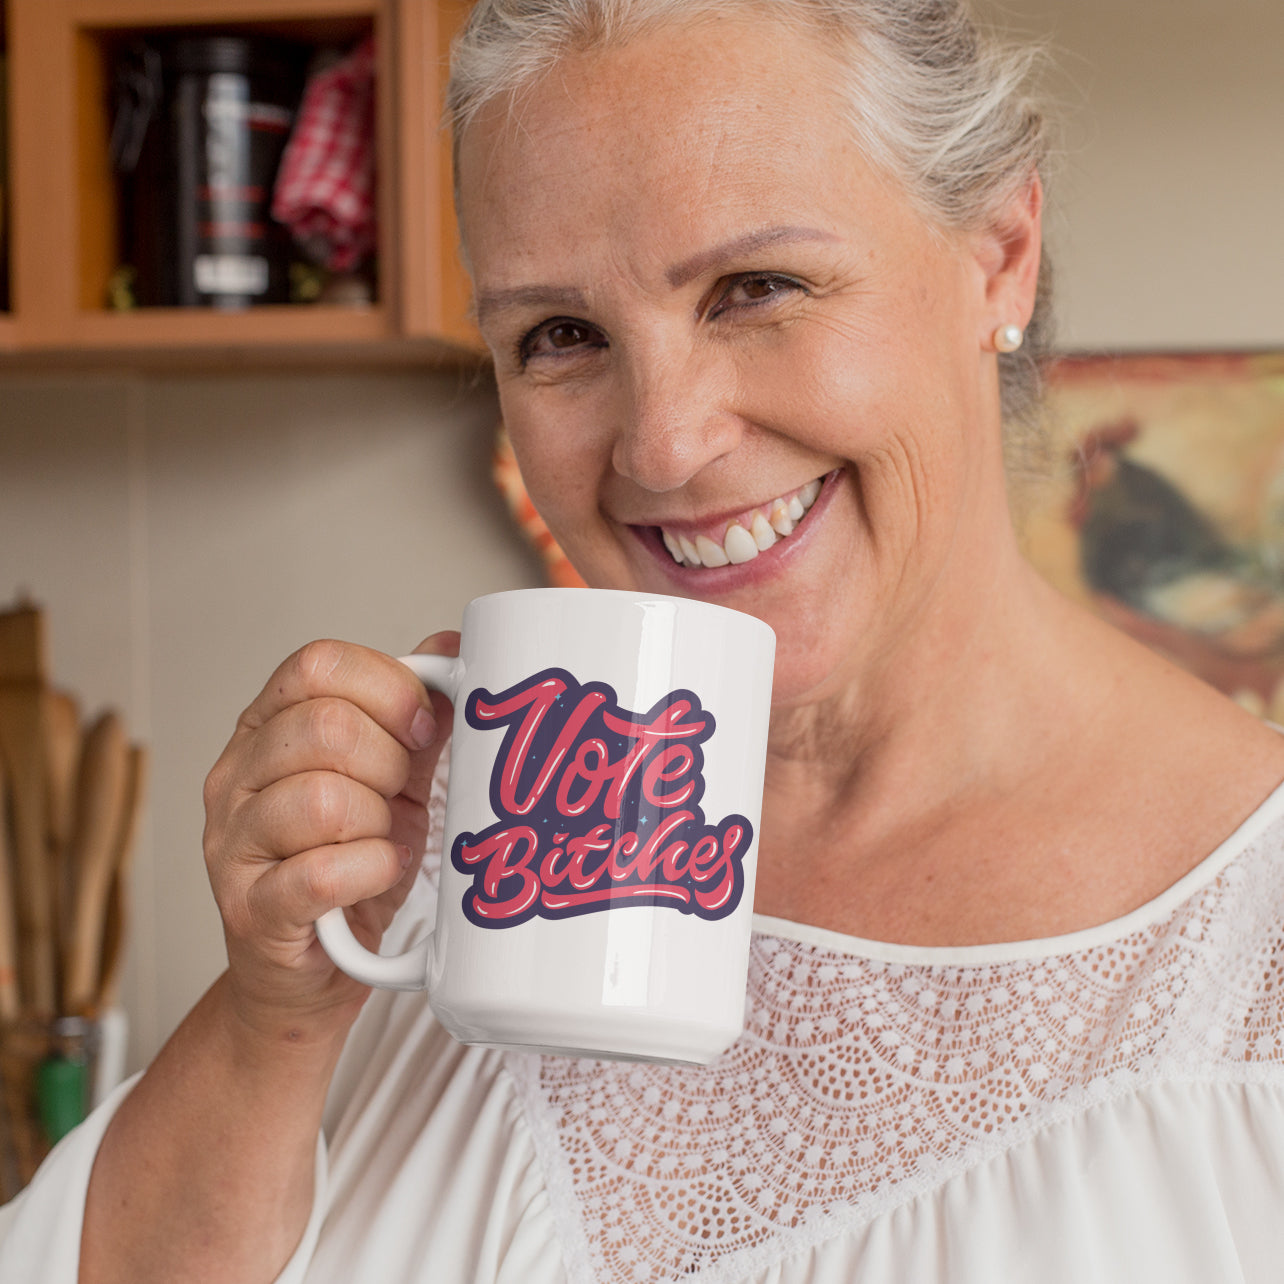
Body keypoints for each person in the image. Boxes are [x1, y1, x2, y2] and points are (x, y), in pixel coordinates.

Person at [5, 0, 1284, 1280]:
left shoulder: (1255, 960)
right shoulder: (431, 868)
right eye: (560, 336)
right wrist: (270, 1020)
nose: (663, 443)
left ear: (1000, 251)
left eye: (757, 288)